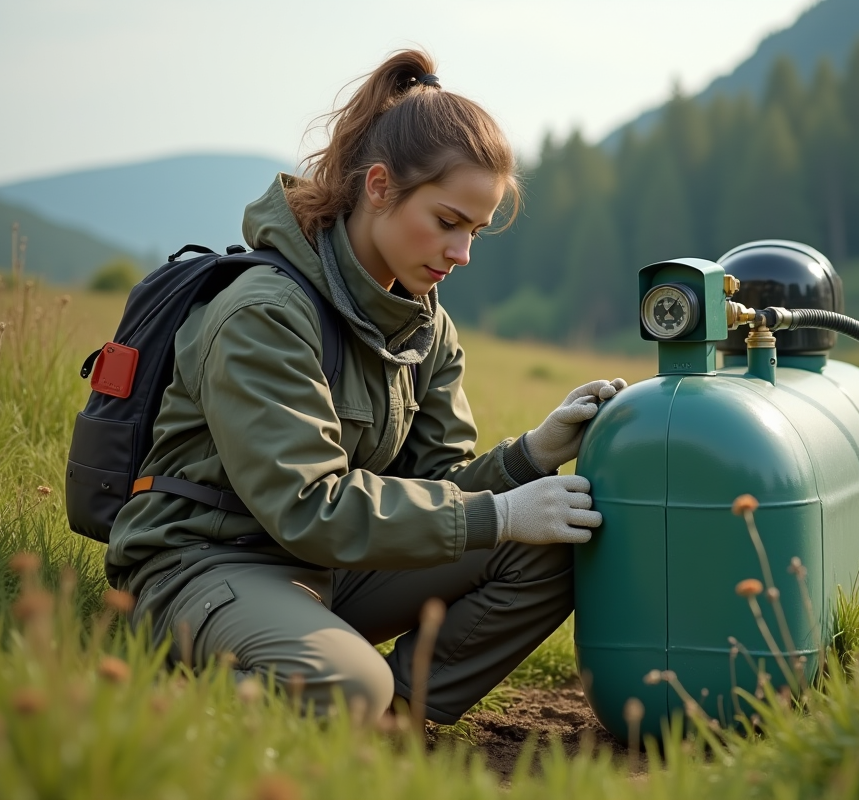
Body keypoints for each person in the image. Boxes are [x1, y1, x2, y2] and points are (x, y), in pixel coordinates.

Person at [106, 49, 625, 725]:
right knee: (348, 682)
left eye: (475, 231)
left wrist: (528, 457)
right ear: (378, 186)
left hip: (326, 568)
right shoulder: (264, 312)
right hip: (206, 563)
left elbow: (440, 491)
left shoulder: (426, 329)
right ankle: (325, 697)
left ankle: (393, 718)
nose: (461, 253)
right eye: (446, 222)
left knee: (552, 547)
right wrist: (501, 512)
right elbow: (307, 504)